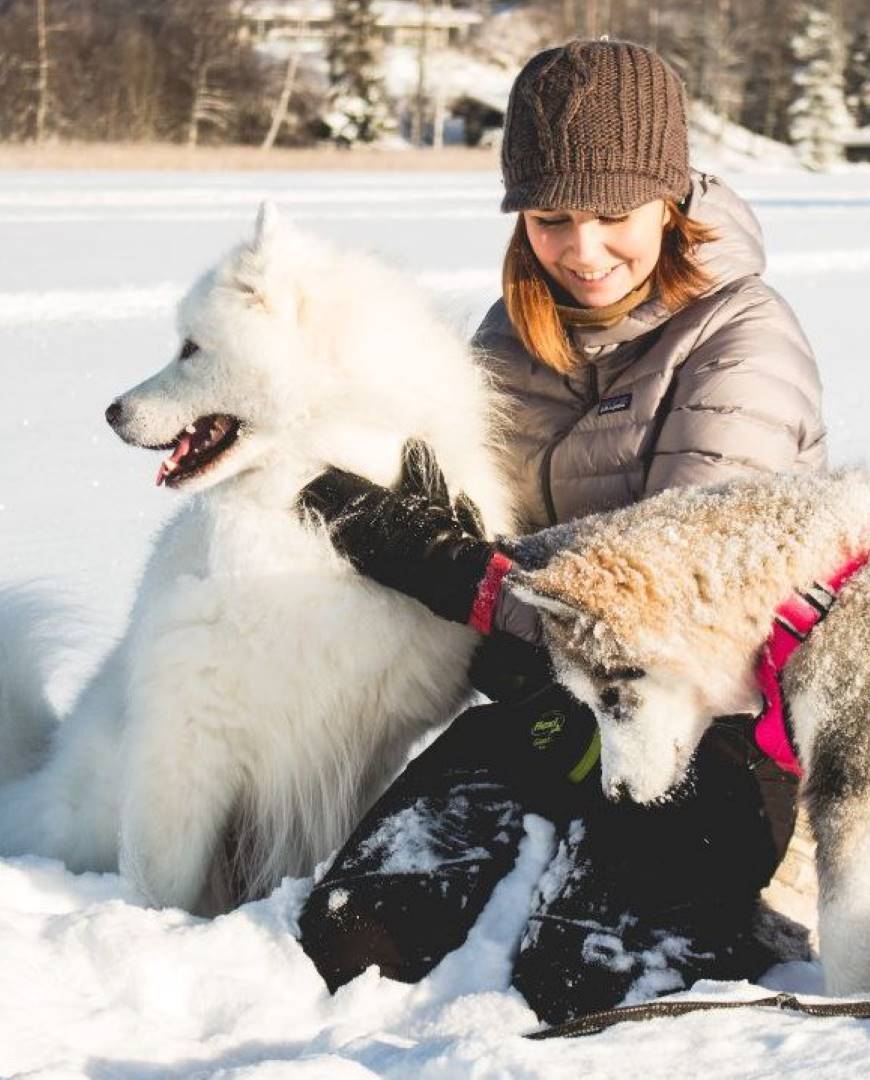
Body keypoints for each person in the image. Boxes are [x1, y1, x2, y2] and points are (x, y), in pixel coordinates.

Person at [294, 39, 827, 1024]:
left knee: (592, 978)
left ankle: (788, 872)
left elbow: (682, 612)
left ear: (669, 201)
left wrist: (472, 580)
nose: (583, 251)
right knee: (353, 931)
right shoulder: (509, 334)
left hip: (714, 730)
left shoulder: (742, 341)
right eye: (550, 219)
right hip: (554, 705)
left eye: (614, 215)